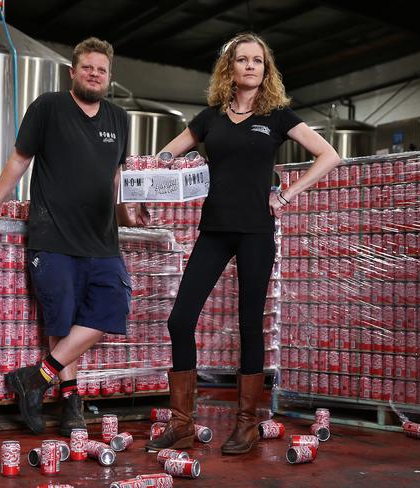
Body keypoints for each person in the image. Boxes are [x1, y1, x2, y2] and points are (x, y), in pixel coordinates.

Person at [144, 33, 340, 455]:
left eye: (257, 61)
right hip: (213, 230)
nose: (250, 66)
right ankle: (181, 423)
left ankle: (247, 425)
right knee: (180, 320)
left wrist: (285, 195)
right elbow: (164, 157)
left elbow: (329, 155)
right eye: (242, 60)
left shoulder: (278, 115)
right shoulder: (209, 117)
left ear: (265, 70)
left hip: (255, 232)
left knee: (250, 324)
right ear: (229, 68)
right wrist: (150, 181)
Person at [0, 37, 149, 436]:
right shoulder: (48, 106)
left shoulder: (120, 118)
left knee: (111, 309)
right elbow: (19, 159)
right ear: (73, 71)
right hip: (54, 236)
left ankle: (33, 378)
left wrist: (127, 212)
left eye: (101, 70)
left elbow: (116, 178)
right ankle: (71, 402)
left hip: (102, 240)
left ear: (109, 77)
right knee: (62, 322)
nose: (94, 74)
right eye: (87, 68)